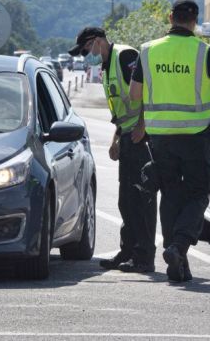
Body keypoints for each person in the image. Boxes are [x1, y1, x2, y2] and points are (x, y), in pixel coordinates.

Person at [129, 0, 210, 282]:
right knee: (198, 194)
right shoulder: (205, 52)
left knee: (170, 195)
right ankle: (178, 246)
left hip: (160, 138)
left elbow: (135, 95)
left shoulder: (148, 51)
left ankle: (176, 255)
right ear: (195, 20)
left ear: (170, 17)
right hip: (194, 138)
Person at [68, 27, 157, 273]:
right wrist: (116, 139)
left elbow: (149, 93)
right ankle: (128, 250)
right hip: (128, 136)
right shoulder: (107, 66)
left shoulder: (125, 56)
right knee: (126, 201)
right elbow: (121, 108)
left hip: (142, 137)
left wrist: (142, 125)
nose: (86, 56)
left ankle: (144, 257)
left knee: (142, 199)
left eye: (86, 50)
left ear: (97, 41)